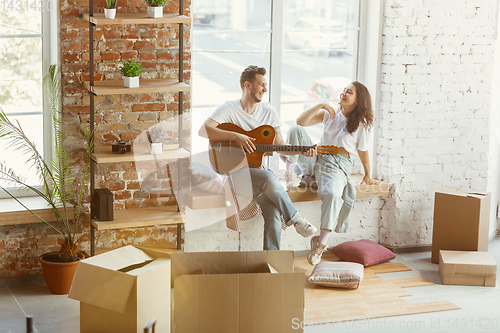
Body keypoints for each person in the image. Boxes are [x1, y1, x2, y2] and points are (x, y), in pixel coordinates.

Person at [198, 65, 318, 250]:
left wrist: (300, 151)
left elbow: (280, 146)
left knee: (274, 212)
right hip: (233, 173)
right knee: (269, 177)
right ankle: (297, 220)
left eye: (266, 84)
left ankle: (271, 262)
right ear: (247, 85)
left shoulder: (269, 112)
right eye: (261, 84)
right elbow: (203, 130)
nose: (265, 89)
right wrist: (235, 137)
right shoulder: (229, 108)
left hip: (257, 174)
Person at [283, 81, 378, 265]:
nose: (344, 93)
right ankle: (291, 174)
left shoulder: (362, 123)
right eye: (344, 90)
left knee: (333, 194)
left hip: (337, 165)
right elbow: (300, 122)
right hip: (317, 158)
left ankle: (320, 243)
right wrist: (320, 105)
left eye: (349, 92)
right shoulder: (330, 113)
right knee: (296, 130)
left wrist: (367, 174)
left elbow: (363, 150)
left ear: (358, 100)